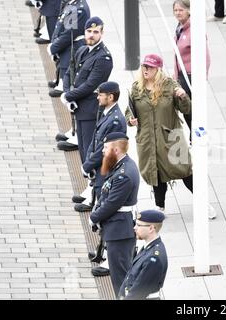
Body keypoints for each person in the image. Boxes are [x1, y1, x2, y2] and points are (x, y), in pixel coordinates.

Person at [126, 54, 216, 219]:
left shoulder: (170, 86)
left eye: (150, 67)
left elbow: (187, 109)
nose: (146, 70)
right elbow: (129, 111)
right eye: (144, 66)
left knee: (185, 171)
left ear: (158, 69)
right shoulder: (136, 88)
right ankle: (160, 207)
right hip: (147, 139)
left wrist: (183, 96)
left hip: (171, 138)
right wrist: (130, 120)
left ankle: (204, 203)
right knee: (156, 173)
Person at [89, 132, 139, 295]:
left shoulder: (123, 174)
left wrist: (94, 217)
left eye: (106, 148)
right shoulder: (120, 165)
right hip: (118, 228)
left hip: (119, 231)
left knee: (121, 278)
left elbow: (112, 203)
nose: (103, 151)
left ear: (116, 150)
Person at [62, 16, 113, 164]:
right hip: (79, 107)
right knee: (83, 148)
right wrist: (68, 94)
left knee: (90, 150)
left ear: (101, 34)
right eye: (89, 31)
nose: (91, 34)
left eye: (96, 32)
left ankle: (93, 183)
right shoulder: (83, 50)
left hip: (91, 110)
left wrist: (68, 96)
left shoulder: (104, 57)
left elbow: (90, 85)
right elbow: (68, 74)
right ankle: (89, 182)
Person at [75, 81, 127, 212]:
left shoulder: (115, 120)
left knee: (103, 203)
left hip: (106, 168)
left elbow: (106, 149)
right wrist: (88, 161)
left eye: (100, 95)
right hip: (99, 167)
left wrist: (88, 165)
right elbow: (95, 140)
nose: (97, 97)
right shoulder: (106, 113)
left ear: (110, 97)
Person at [173, 0, 211, 135]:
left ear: (189, 11)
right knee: (186, 109)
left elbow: (205, 56)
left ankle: (198, 137)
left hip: (191, 76)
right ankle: (194, 136)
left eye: (181, 10)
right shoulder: (180, 28)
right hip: (182, 76)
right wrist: (175, 75)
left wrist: (202, 78)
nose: (178, 13)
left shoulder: (194, 30)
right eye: (176, 10)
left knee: (192, 110)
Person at [118, 210, 168, 300]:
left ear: (151, 228)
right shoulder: (149, 247)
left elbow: (138, 292)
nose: (134, 228)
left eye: (139, 225)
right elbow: (130, 274)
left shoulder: (153, 258)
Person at [47, 0, 90, 97]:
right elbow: (61, 24)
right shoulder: (73, 3)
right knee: (61, 63)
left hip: (73, 45)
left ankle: (64, 88)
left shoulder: (79, 8)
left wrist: (54, 47)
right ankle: (59, 81)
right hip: (68, 44)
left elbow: (69, 34)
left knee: (67, 65)